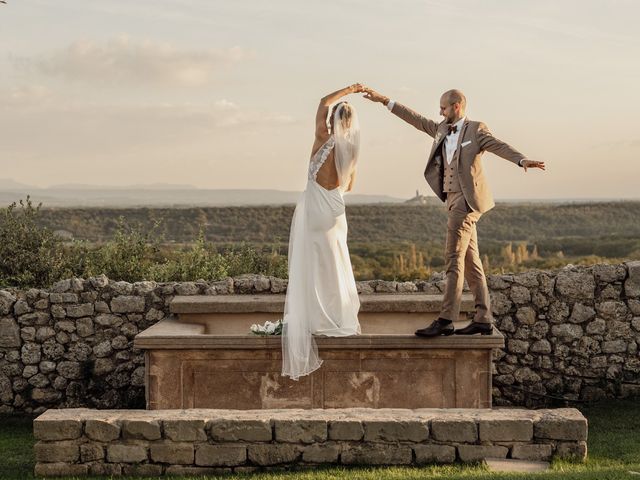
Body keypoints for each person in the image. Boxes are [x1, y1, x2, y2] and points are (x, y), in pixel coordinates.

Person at [363, 87, 545, 336]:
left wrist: (521, 160)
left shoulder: (476, 129)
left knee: (453, 259)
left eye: (444, 107)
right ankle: (483, 318)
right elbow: (416, 119)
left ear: (457, 106)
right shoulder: (440, 129)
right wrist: (384, 100)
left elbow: (497, 145)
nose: (440, 111)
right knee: (472, 262)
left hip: (467, 201)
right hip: (451, 200)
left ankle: (446, 319)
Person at [281, 84, 364, 380]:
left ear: (333, 120)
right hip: (335, 208)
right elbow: (350, 185)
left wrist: (349, 89)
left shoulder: (322, 136)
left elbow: (322, 101)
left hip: (315, 207)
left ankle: (317, 318)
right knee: (336, 258)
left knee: (314, 260)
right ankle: (339, 317)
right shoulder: (352, 148)